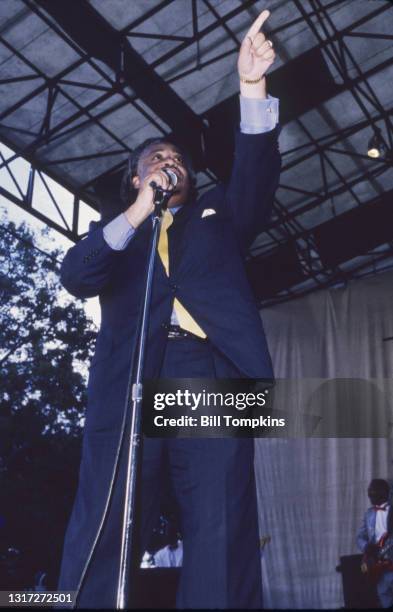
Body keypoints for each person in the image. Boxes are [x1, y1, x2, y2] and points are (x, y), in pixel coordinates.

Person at [58, 9, 281, 609]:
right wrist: (135, 213)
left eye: (175, 156)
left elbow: (257, 180)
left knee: (221, 524)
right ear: (137, 177)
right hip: (131, 381)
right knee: (107, 517)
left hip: (209, 373)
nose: (167, 160)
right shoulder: (117, 237)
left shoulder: (216, 216)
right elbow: (76, 276)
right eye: (154, 157)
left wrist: (252, 88)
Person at [357, 479, 393, 608]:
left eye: (373, 491)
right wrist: (366, 547)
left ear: (384, 492)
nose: (370, 494)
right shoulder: (369, 514)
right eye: (369, 491)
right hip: (378, 569)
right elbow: (360, 537)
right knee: (385, 601)